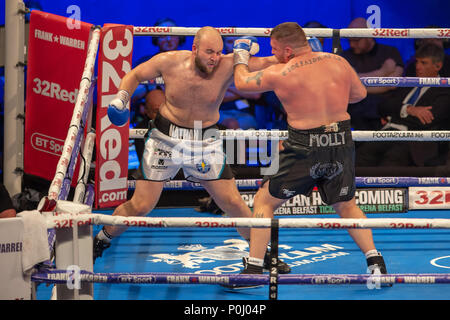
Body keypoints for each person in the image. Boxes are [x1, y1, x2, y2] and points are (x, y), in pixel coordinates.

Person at [94, 27, 291, 273]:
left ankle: (261, 255)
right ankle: (101, 239)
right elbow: (134, 75)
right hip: (165, 139)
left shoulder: (228, 64)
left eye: (219, 52)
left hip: (205, 140)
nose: (214, 58)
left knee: (233, 202)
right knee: (141, 205)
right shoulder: (170, 61)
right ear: (194, 48)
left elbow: (270, 61)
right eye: (209, 51)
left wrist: (291, 52)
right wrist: (121, 99)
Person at [231, 22, 389, 285]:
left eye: (275, 49)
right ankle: (376, 264)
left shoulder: (281, 72)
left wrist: (241, 54)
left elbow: (241, 82)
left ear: (288, 49)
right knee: (346, 205)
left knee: (264, 200)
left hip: (306, 146)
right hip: (341, 140)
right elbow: (360, 94)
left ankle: (254, 269)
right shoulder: (338, 61)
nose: (274, 54)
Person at [356, 43, 450, 167]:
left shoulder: (444, 90)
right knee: (362, 154)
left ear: (438, 66)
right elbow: (383, 106)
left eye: (423, 63)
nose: (417, 67)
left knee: (392, 159)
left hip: (413, 141)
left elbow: (426, 121)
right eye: (417, 62)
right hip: (388, 132)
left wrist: (395, 114)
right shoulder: (409, 82)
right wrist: (409, 109)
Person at [341, 17, 404, 131]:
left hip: (384, 112)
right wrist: (382, 72)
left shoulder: (390, 52)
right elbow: (347, 84)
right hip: (355, 115)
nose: (352, 44)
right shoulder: (345, 56)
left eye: (356, 40)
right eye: (349, 40)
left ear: (369, 35)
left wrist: (358, 85)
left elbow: (392, 84)